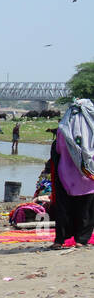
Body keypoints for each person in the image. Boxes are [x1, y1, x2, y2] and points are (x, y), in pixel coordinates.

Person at [47, 99, 94, 249]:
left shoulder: (63, 129)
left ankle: (60, 239)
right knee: (87, 209)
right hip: (89, 177)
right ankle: (81, 239)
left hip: (66, 175)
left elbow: (59, 150)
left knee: (64, 208)